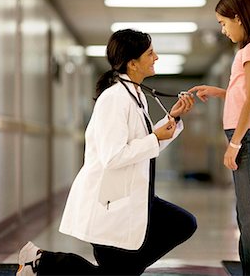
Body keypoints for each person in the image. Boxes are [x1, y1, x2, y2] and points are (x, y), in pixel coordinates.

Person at [16, 29, 197, 276]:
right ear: (133, 63)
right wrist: (155, 137)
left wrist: (172, 119)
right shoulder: (114, 99)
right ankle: (42, 262)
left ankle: (42, 262)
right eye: (150, 53)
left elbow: (144, 147)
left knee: (183, 223)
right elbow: (113, 156)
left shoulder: (135, 96)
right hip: (110, 202)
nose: (156, 57)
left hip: (132, 196)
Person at [189, 0, 250, 275]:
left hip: (249, 136)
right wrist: (220, 92)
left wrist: (235, 144)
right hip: (249, 135)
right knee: (246, 212)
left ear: (239, 18)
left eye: (223, 23)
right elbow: (244, 94)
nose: (223, 29)